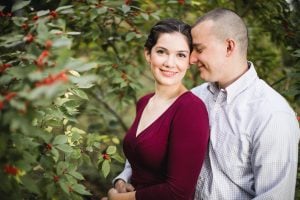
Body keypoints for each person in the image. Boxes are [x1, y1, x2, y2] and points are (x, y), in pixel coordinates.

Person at [109, 8, 300, 200]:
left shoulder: (272, 114)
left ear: (229, 47)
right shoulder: (195, 96)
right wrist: (123, 179)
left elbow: (275, 197)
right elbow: (150, 150)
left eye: (199, 50)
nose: (192, 59)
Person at [102, 19, 210, 200]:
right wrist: (121, 183)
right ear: (148, 54)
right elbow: (138, 161)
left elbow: (179, 193)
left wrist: (117, 199)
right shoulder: (144, 102)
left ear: (190, 60)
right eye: (161, 52)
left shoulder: (191, 110)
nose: (170, 63)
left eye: (180, 55)